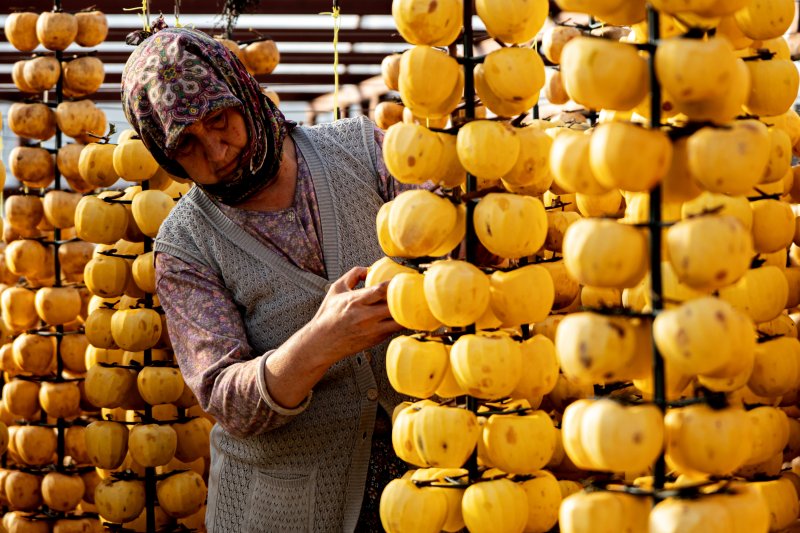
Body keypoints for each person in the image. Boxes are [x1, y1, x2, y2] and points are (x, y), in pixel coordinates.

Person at [121, 27, 420, 532]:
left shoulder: (362, 149)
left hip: (423, 482)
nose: (216, 153)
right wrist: (321, 342)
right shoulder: (185, 243)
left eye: (219, 120)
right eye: (186, 145)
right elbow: (225, 397)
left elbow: (446, 231)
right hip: (285, 507)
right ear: (164, 155)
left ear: (242, 92)